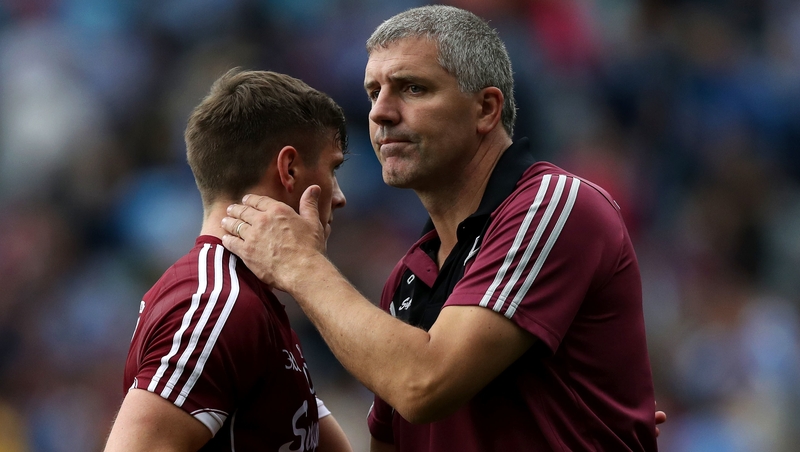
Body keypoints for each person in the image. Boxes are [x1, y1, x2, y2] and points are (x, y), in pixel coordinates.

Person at [221, 5, 663, 451]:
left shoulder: (555, 206)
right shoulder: (408, 277)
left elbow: (424, 383)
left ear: (486, 109)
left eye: (413, 88)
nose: (380, 114)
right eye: (374, 92)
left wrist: (298, 264)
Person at [104, 68, 353, 452]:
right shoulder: (216, 304)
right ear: (289, 169)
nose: (339, 196)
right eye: (333, 168)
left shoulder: (253, 304)